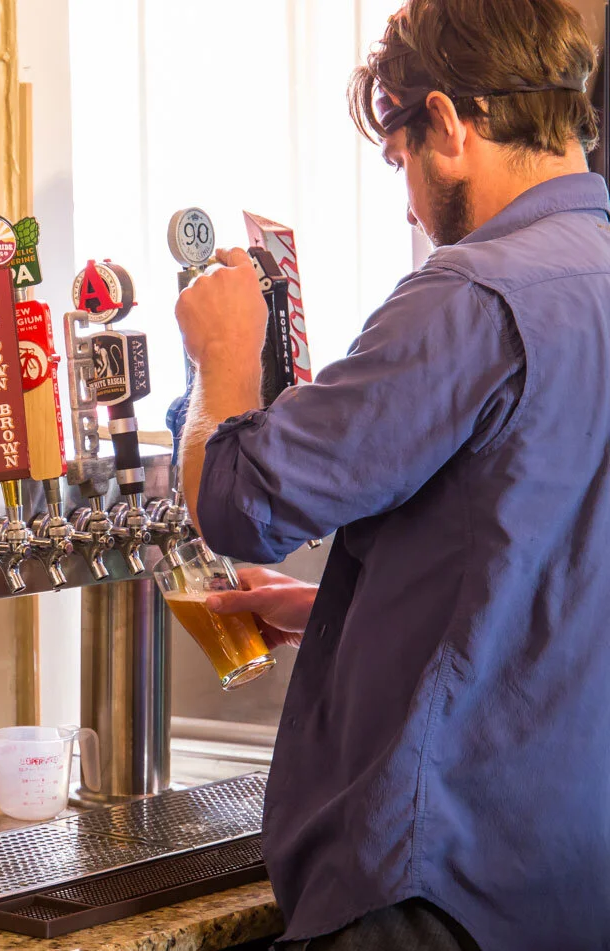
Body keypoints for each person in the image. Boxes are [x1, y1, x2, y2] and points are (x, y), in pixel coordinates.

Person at [174, 1, 610, 948]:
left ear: (449, 124)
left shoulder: (469, 294)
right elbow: (544, 561)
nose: (407, 196)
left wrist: (221, 367)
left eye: (398, 155)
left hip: (438, 882)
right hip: (573, 869)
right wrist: (351, 613)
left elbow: (239, 502)